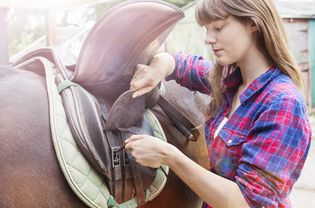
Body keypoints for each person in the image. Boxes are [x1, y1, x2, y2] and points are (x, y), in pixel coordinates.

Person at [125, 0, 312, 207]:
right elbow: (180, 64)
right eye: (206, 29)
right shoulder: (227, 80)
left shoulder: (282, 103)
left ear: (253, 23)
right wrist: (157, 68)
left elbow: (247, 202)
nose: (208, 39)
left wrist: (170, 156)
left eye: (218, 28)